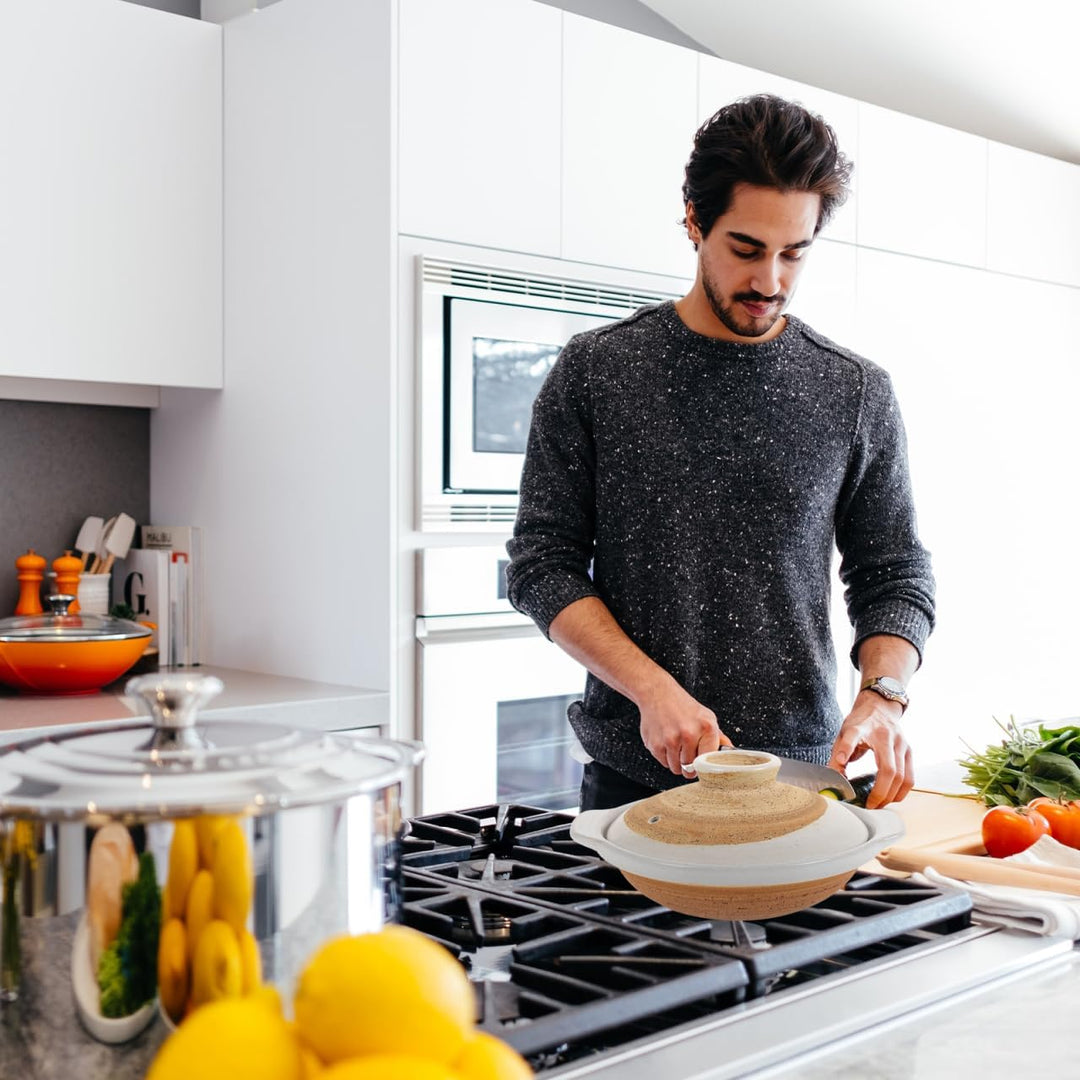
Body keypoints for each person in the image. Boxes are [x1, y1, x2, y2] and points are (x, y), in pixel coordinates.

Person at [505, 94, 935, 813]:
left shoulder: (856, 390)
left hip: (805, 782)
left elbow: (895, 572)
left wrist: (884, 693)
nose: (770, 280)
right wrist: (651, 690)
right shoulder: (597, 372)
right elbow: (541, 565)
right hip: (634, 782)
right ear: (694, 221)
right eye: (746, 249)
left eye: (794, 252)